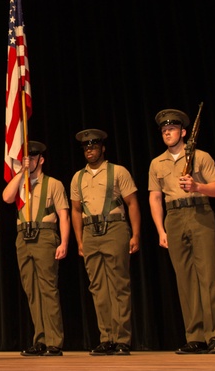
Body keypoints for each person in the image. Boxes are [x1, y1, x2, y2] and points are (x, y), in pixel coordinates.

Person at [147, 108, 215, 355]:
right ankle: (195, 336)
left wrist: (198, 186)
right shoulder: (156, 163)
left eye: (171, 129)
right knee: (185, 280)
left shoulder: (200, 156)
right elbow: (155, 198)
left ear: (183, 132)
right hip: (174, 217)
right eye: (163, 130)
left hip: (199, 213)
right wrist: (160, 230)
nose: (167, 133)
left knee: (208, 277)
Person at [70, 128, 140, 356]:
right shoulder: (78, 177)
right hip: (91, 231)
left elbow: (132, 204)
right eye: (86, 148)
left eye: (94, 146)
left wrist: (135, 234)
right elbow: (76, 210)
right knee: (98, 287)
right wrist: (79, 240)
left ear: (102, 148)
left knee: (119, 285)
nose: (90, 150)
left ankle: (122, 339)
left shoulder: (118, 171)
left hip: (115, 227)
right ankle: (106, 337)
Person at [1, 140, 69, 357]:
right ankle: (39, 339)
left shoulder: (53, 184)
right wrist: (21, 173)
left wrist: (64, 242)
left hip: (45, 234)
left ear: (41, 159)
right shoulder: (21, 185)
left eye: (32, 158)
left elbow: (64, 215)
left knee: (48, 289)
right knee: (32, 291)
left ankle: (54, 341)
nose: (28, 161)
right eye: (24, 158)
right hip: (23, 237)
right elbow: (6, 197)